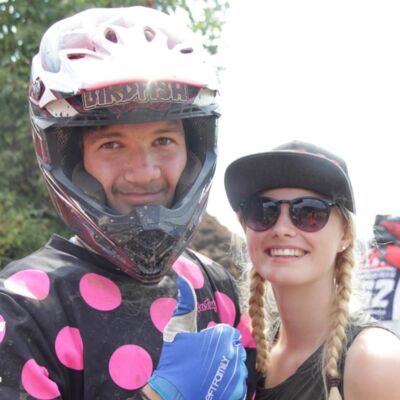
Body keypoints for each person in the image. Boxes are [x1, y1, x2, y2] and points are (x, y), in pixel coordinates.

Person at [0, 6, 255, 399]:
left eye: (164, 140)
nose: (144, 172)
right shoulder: (23, 308)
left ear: (193, 152)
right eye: (112, 144)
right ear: (73, 161)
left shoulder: (213, 285)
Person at [224, 140, 400, 400]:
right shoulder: (240, 354)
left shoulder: (375, 362)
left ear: (344, 234)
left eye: (310, 212)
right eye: (263, 211)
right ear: (245, 228)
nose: (282, 228)